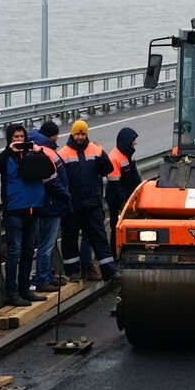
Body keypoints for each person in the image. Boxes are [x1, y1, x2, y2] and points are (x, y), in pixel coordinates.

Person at [0, 123, 63, 306]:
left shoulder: (33, 155)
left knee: (29, 251)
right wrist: (8, 150)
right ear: (10, 139)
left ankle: (24, 289)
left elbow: (51, 170)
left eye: (22, 137)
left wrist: (39, 152)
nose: (19, 140)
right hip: (14, 210)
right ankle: (12, 292)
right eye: (15, 137)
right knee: (15, 251)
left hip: (34, 209)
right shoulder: (5, 157)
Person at [58, 119, 117, 282]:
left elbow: (108, 168)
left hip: (92, 204)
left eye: (83, 133)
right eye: (78, 133)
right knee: (69, 239)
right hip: (72, 206)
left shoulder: (95, 150)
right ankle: (73, 272)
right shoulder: (63, 153)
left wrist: (102, 158)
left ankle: (109, 271)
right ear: (72, 133)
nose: (81, 137)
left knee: (99, 238)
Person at [28, 121, 71, 292]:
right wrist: (65, 196)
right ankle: (42, 279)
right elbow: (52, 180)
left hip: (47, 203)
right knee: (46, 245)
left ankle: (47, 276)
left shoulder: (42, 149)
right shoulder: (46, 151)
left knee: (48, 243)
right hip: (51, 204)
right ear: (53, 135)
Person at [105, 127, 140, 252]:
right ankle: (114, 253)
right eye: (133, 141)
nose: (135, 143)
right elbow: (115, 184)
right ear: (126, 141)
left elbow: (132, 176)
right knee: (116, 226)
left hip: (125, 196)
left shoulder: (126, 153)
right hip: (116, 199)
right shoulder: (114, 157)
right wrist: (123, 202)